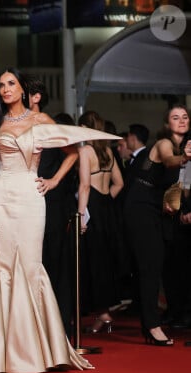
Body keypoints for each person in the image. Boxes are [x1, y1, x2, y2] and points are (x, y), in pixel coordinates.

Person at [0, 68, 118, 373]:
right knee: (2, 266)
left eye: (11, 84)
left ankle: (37, 348)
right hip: (0, 196)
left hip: (31, 196)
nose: (6, 89)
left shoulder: (41, 120)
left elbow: (74, 151)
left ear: (22, 89)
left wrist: (53, 181)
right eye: (1, 85)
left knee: (31, 266)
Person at [124, 104, 191, 346]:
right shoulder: (165, 143)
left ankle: (150, 323)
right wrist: (184, 158)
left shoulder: (184, 149)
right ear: (167, 123)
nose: (181, 120)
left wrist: (179, 207)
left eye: (185, 117)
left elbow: (180, 188)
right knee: (150, 265)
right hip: (140, 205)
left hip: (156, 208)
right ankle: (152, 326)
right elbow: (170, 161)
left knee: (155, 263)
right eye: (175, 117)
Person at [29, 76, 78, 336]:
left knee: (53, 264)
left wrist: (55, 181)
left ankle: (59, 328)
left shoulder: (47, 123)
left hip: (52, 203)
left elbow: (73, 152)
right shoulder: (15, 123)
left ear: (36, 97)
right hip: (24, 203)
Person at [76, 111, 124, 334]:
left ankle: (102, 314)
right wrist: (104, 201)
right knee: (104, 262)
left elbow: (84, 186)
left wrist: (81, 214)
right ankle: (103, 315)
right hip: (106, 208)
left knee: (93, 263)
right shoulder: (108, 151)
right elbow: (119, 183)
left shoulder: (85, 151)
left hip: (92, 207)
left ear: (86, 128)